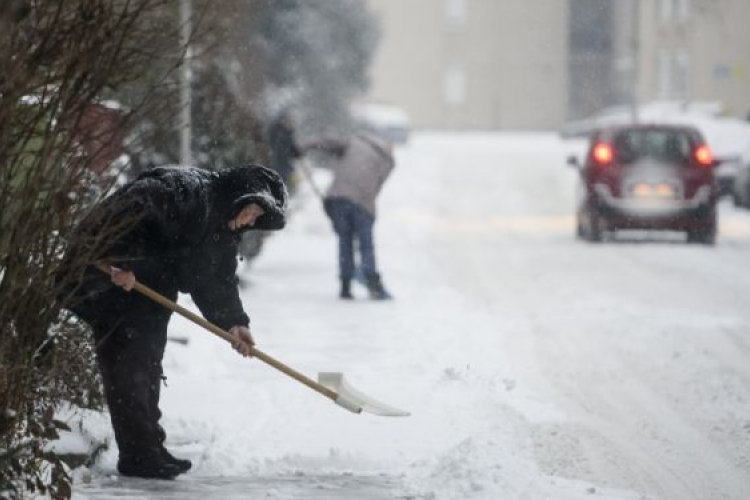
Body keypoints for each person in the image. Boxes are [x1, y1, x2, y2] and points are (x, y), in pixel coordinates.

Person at [57, 164, 287, 479]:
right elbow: (122, 214)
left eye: (258, 218)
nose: (251, 220)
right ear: (237, 197)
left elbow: (216, 280)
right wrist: (118, 261)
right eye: (252, 210)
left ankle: (149, 448)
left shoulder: (222, 229)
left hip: (148, 287)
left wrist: (235, 323)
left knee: (147, 364)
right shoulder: (185, 191)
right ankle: (140, 456)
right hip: (105, 278)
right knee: (130, 366)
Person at [322, 132, 395, 300]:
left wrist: (300, 147)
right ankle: (371, 280)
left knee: (345, 240)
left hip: (338, 198)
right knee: (366, 244)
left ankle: (345, 285)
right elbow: (376, 186)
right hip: (362, 204)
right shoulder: (386, 160)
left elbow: (328, 142)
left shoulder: (354, 142)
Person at [267, 112, 301, 193]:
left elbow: (291, 146)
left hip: (285, 163)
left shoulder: (287, 133)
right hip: (280, 163)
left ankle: (288, 194)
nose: (291, 123)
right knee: (282, 182)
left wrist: (296, 152)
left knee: (289, 181)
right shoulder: (280, 132)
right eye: (289, 120)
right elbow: (281, 149)